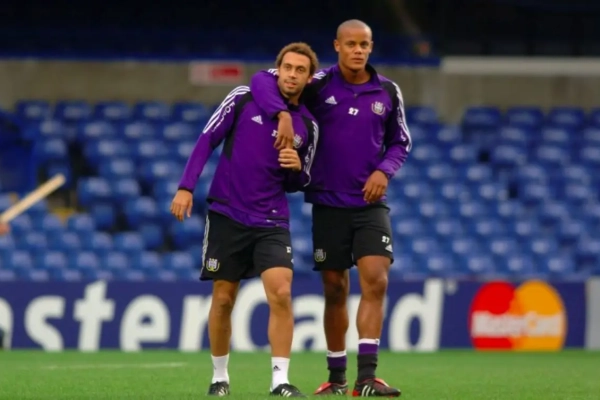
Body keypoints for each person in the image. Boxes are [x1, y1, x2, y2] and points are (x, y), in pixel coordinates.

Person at [249, 19, 412, 397]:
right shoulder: (317, 85)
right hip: (327, 203)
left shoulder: (388, 91)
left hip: (370, 204)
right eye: (351, 44)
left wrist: (384, 171)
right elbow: (261, 80)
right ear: (337, 46)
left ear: (371, 47)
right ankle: (336, 377)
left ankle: (366, 378)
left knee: (376, 279)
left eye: (364, 44)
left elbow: (400, 141)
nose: (358, 50)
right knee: (335, 289)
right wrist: (284, 114)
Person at [170, 42, 320, 397]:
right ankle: (219, 377)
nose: (292, 75)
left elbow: (301, 181)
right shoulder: (242, 98)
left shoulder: (309, 126)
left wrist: (297, 170)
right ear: (278, 70)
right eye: (288, 68)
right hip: (228, 213)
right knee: (223, 298)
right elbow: (206, 139)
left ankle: (280, 381)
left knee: (281, 293)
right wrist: (186, 187)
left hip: (271, 219)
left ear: (308, 78)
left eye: (300, 70)